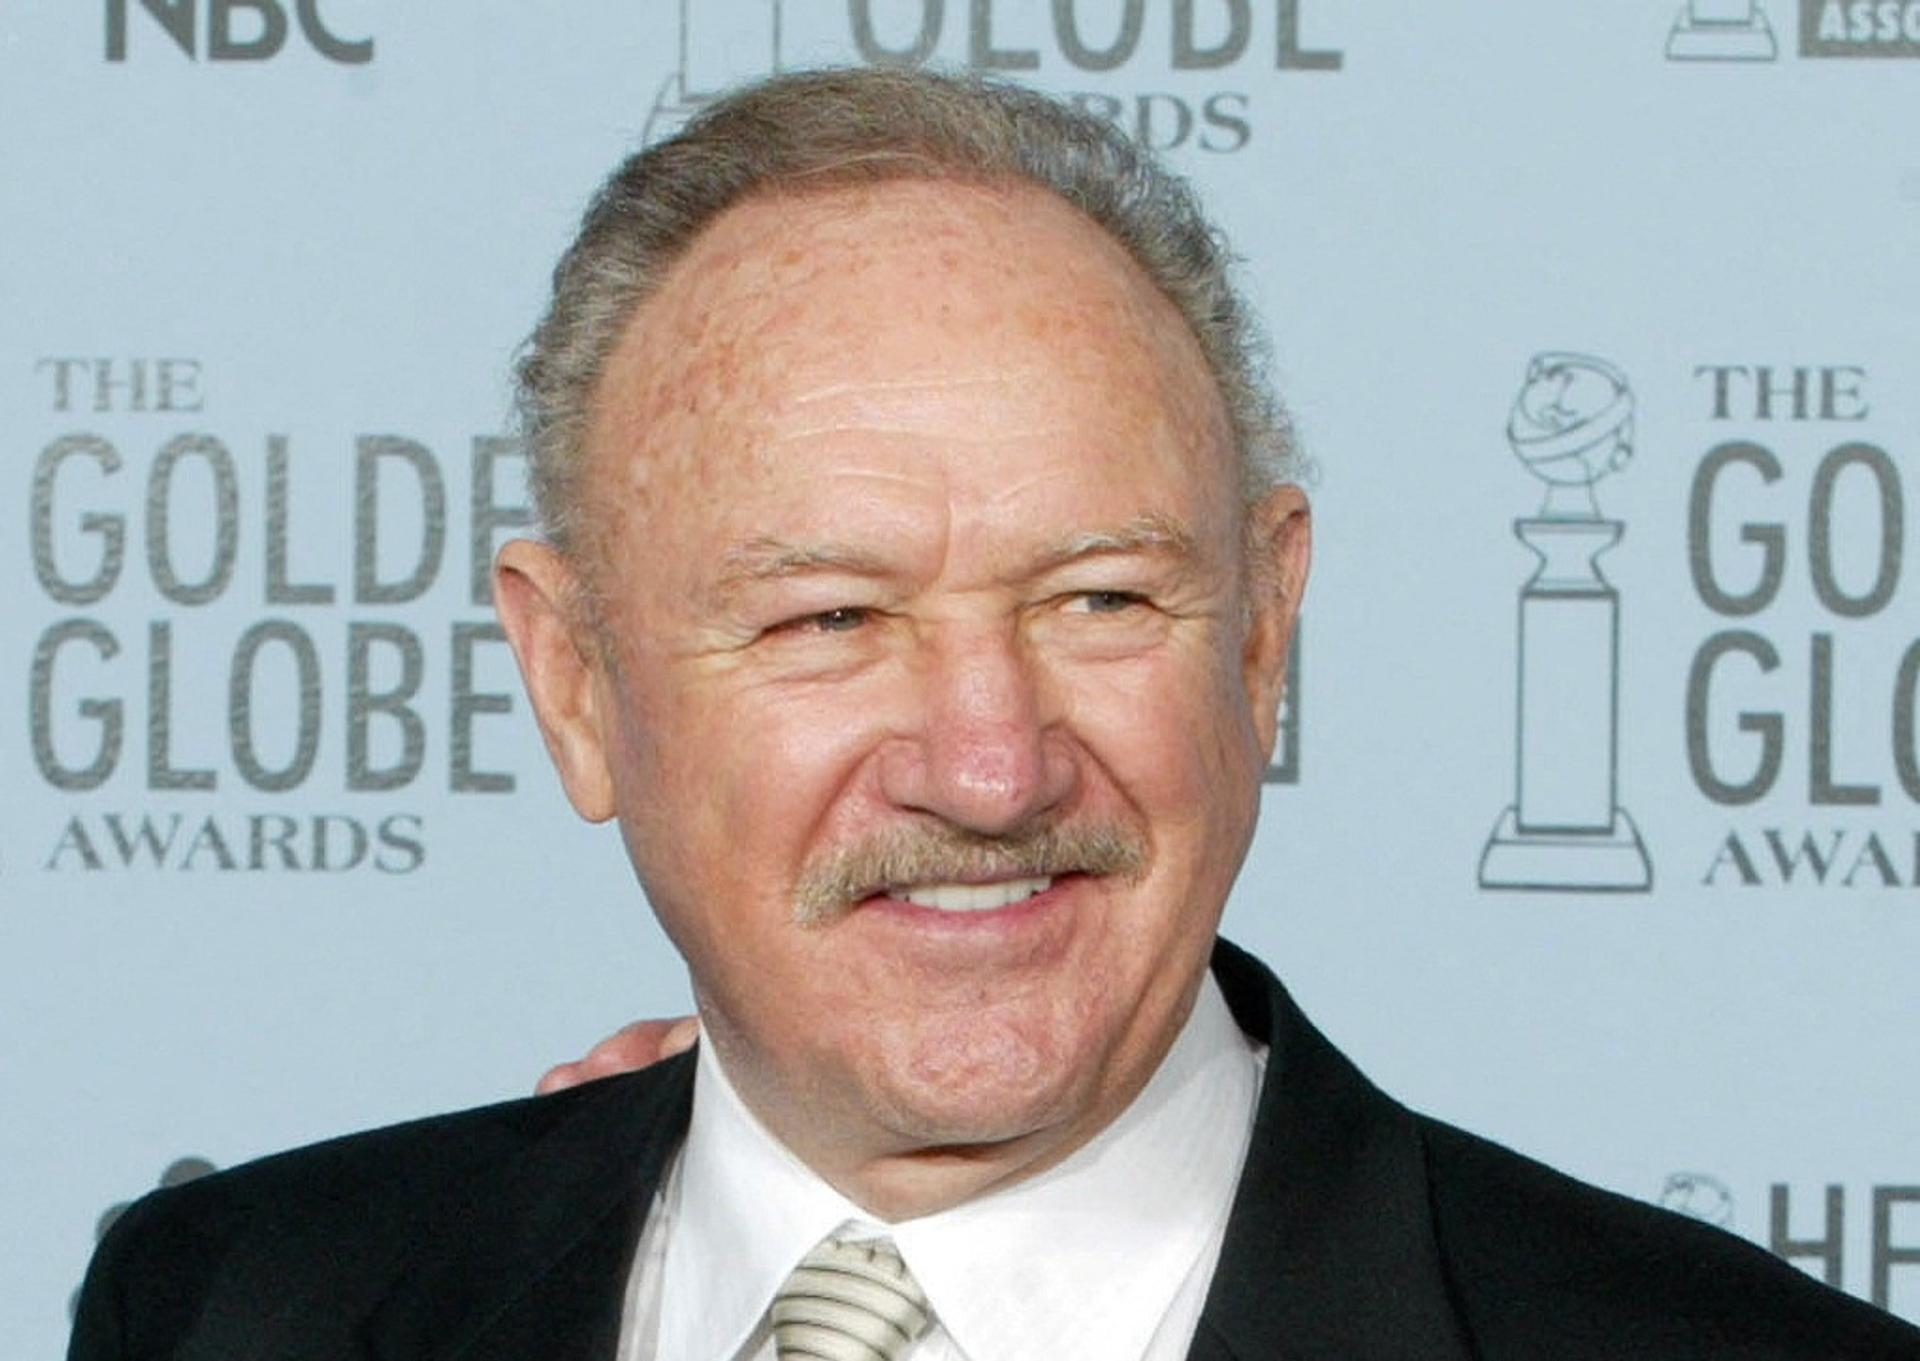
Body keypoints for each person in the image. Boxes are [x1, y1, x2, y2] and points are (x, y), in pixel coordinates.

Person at [69, 67, 1920, 1361]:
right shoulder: (229, 1303)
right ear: (574, 682)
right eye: (830, 616)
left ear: (1264, 631)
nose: (988, 762)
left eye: (1100, 598)